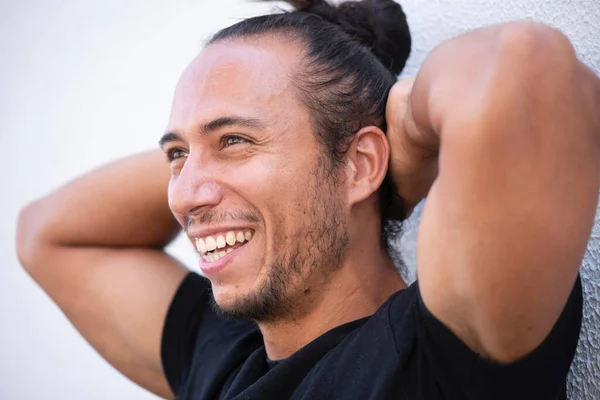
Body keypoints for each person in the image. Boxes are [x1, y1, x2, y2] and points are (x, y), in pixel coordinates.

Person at [15, 0, 600, 398]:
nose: (185, 195)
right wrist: (212, 143)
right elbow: (46, 233)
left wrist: (409, 128)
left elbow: (526, 70)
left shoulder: (440, 355)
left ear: (362, 163)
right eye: (175, 157)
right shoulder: (225, 361)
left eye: (236, 141)